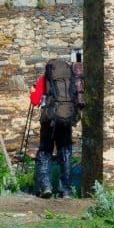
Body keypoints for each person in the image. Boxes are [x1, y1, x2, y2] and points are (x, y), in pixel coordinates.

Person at [30, 59, 77, 199]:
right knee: (65, 152)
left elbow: (35, 101)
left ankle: (45, 187)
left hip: (49, 121)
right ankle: (66, 191)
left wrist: (32, 92)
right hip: (66, 119)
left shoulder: (44, 80)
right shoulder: (70, 80)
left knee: (45, 152)